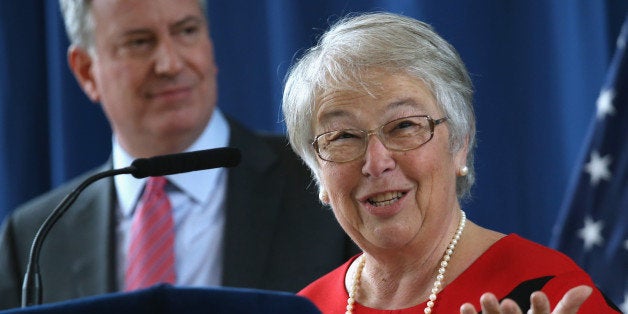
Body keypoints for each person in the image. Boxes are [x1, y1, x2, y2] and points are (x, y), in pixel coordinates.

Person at [0, 0, 357, 309]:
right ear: (86, 71)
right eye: (139, 42)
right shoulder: (33, 237)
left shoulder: (323, 180)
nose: (170, 64)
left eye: (186, 31)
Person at [281, 12, 620, 313]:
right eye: (343, 137)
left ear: (460, 142)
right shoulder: (305, 308)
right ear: (318, 172)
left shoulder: (548, 289)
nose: (376, 162)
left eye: (404, 126)